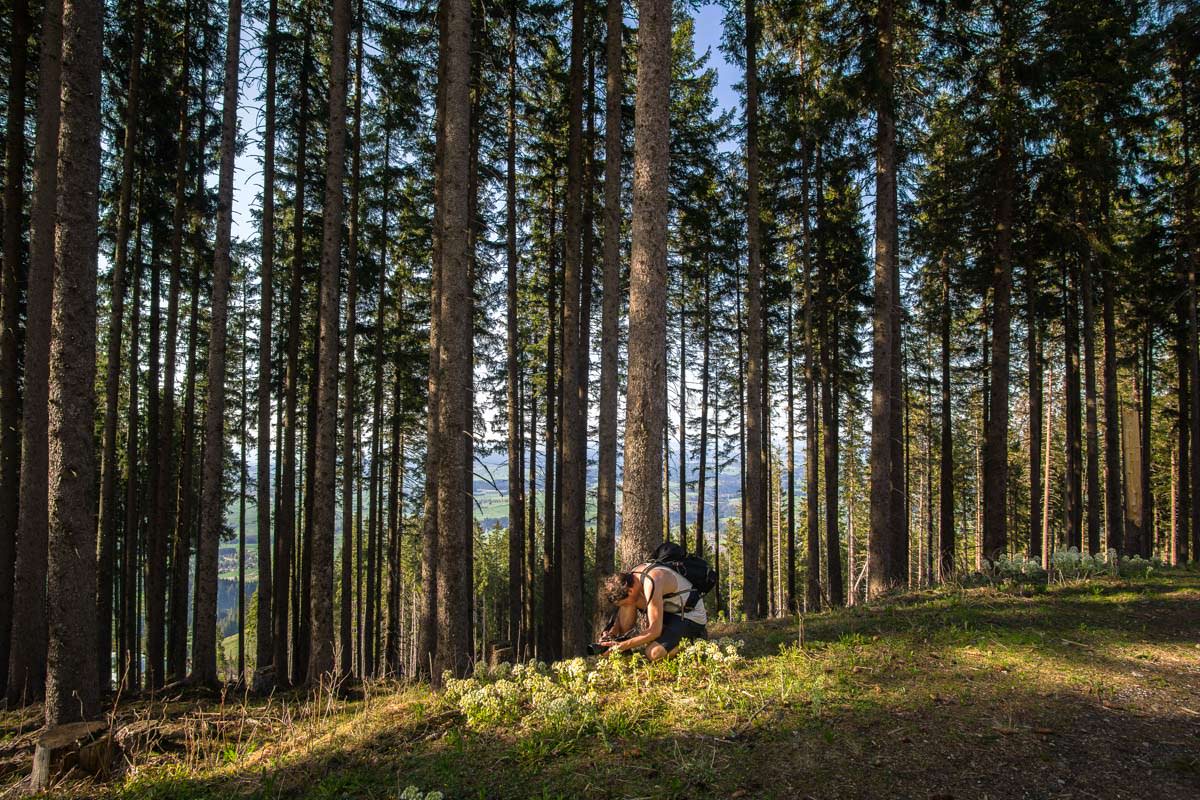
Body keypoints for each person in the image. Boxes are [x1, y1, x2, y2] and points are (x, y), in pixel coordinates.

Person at [599, 561, 708, 661]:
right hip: (669, 610)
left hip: (690, 614)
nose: (625, 606)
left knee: (653, 653)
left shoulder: (652, 582)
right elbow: (623, 609)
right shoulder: (630, 580)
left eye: (624, 602)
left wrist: (621, 646)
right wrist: (611, 633)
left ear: (631, 591)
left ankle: (695, 640)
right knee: (629, 603)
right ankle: (621, 645)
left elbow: (655, 631)